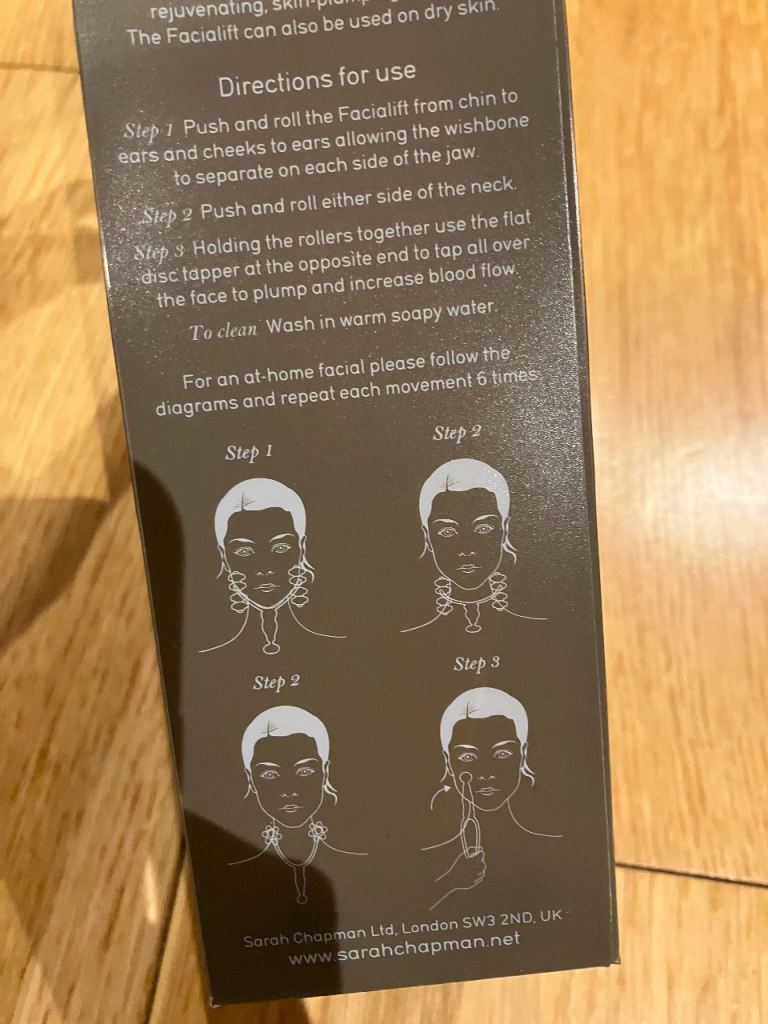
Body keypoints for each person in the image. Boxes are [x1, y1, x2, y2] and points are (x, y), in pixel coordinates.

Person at [424, 687, 561, 910]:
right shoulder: (421, 863)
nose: (486, 772)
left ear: (523, 756)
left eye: (502, 754)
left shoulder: (556, 853)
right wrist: (449, 883)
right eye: (468, 756)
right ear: (448, 762)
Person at [233, 705, 365, 904]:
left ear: (325, 773)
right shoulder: (236, 870)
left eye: (304, 771)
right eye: (270, 774)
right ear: (251, 780)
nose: (289, 790)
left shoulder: (357, 860)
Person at [200, 477, 345, 655]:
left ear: (302, 548)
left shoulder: (341, 649)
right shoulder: (206, 657)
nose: (264, 568)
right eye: (244, 551)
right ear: (224, 556)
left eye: (281, 548)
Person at [402, 458, 544, 635]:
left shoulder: (540, 630)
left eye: (483, 529)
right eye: (447, 532)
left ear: (505, 530)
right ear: (428, 537)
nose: (466, 549)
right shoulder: (410, 634)